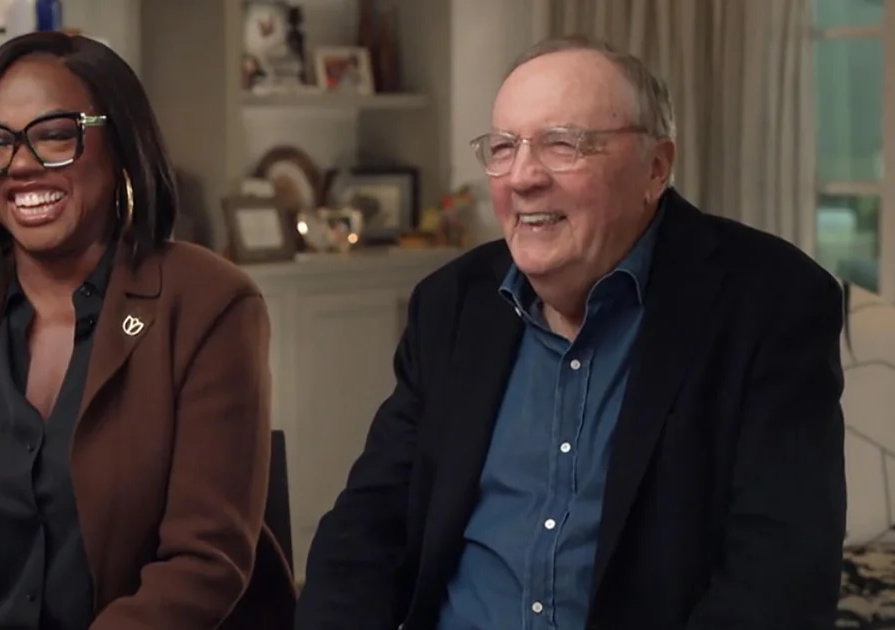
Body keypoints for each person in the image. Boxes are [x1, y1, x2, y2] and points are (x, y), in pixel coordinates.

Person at [295, 34, 846, 630]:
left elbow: (779, 580)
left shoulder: (770, 301)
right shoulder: (452, 305)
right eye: (503, 148)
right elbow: (366, 531)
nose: (523, 177)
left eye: (563, 144)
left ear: (656, 167)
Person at [0, 32, 296, 630]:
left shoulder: (210, 302)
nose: (21, 165)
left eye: (56, 134)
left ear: (120, 144)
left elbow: (203, 562)